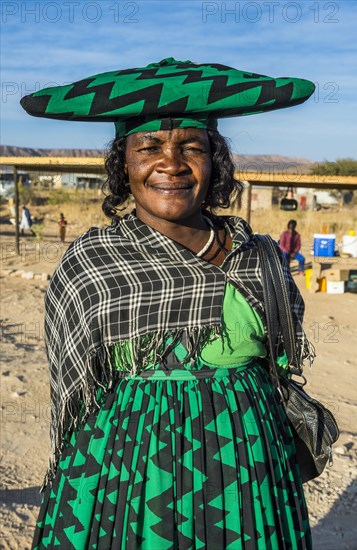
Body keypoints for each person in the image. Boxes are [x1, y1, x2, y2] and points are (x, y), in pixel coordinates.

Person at [21, 58, 316, 549]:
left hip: (246, 465)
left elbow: (279, 364)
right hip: (131, 471)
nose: (172, 164)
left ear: (215, 162)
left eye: (192, 148)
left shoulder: (259, 255)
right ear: (124, 165)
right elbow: (72, 388)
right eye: (149, 147)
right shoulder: (92, 262)